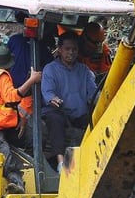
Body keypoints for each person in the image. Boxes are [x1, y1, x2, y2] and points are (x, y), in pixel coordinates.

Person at [0, 46, 42, 194]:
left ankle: (35, 176)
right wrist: (31, 81)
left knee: (31, 139)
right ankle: (16, 183)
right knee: (3, 152)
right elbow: (11, 98)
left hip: (2, 125)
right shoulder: (1, 76)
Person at [41, 35, 97, 171]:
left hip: (79, 114)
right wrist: (53, 99)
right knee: (55, 118)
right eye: (67, 49)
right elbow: (47, 92)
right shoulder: (50, 69)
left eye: (74, 49)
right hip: (60, 112)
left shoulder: (84, 71)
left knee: (96, 119)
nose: (71, 52)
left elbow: (94, 94)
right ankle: (61, 164)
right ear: (59, 50)